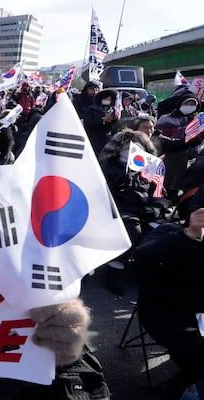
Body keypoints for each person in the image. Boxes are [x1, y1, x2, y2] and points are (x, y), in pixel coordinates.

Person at [133, 184, 204, 400]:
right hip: (165, 314)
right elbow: (142, 258)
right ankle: (181, 385)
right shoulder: (171, 232)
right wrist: (188, 235)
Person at [98, 129, 167, 295]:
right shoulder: (109, 167)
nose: (129, 152)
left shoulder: (150, 169)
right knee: (133, 230)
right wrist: (120, 181)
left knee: (165, 233)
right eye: (126, 148)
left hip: (144, 212)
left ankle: (142, 269)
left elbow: (159, 194)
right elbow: (100, 193)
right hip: (119, 211)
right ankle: (116, 268)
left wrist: (157, 208)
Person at [154, 93, 203, 200]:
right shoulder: (166, 119)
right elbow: (159, 138)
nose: (189, 106)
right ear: (180, 104)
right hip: (171, 157)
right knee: (170, 183)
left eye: (192, 104)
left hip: (192, 158)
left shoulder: (198, 121)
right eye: (187, 103)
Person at [83, 88, 119, 157]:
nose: (107, 101)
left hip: (107, 139)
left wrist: (115, 119)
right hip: (94, 139)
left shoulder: (112, 110)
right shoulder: (91, 109)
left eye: (109, 99)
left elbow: (114, 126)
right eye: (106, 99)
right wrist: (102, 120)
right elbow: (88, 123)